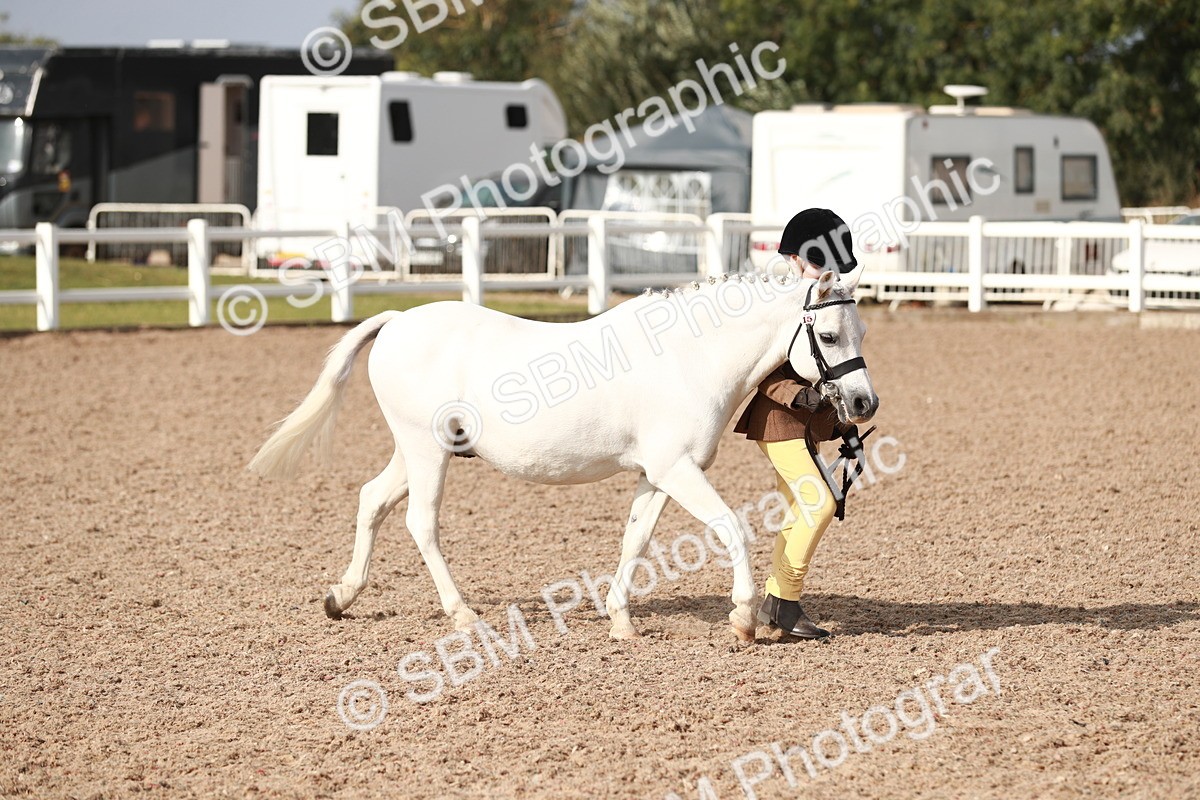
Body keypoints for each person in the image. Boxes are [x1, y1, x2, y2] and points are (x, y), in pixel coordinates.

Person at [734, 208, 859, 639]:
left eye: (832, 264)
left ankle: (776, 601)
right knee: (819, 503)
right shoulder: (781, 303)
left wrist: (843, 424)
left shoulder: (827, 300)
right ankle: (784, 604)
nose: (828, 272)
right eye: (820, 263)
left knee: (800, 507)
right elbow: (762, 372)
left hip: (807, 427)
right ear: (795, 260)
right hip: (780, 422)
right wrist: (798, 395)